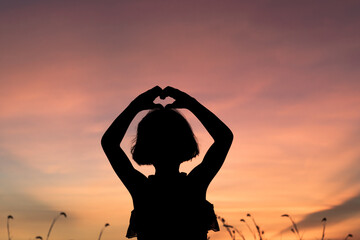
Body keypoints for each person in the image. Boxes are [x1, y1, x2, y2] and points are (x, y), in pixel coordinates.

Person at [101, 86, 233, 240]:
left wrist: (135, 106)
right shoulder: (194, 185)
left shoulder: (142, 189)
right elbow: (224, 138)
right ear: (185, 142)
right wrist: (191, 104)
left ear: (145, 145)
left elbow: (109, 143)